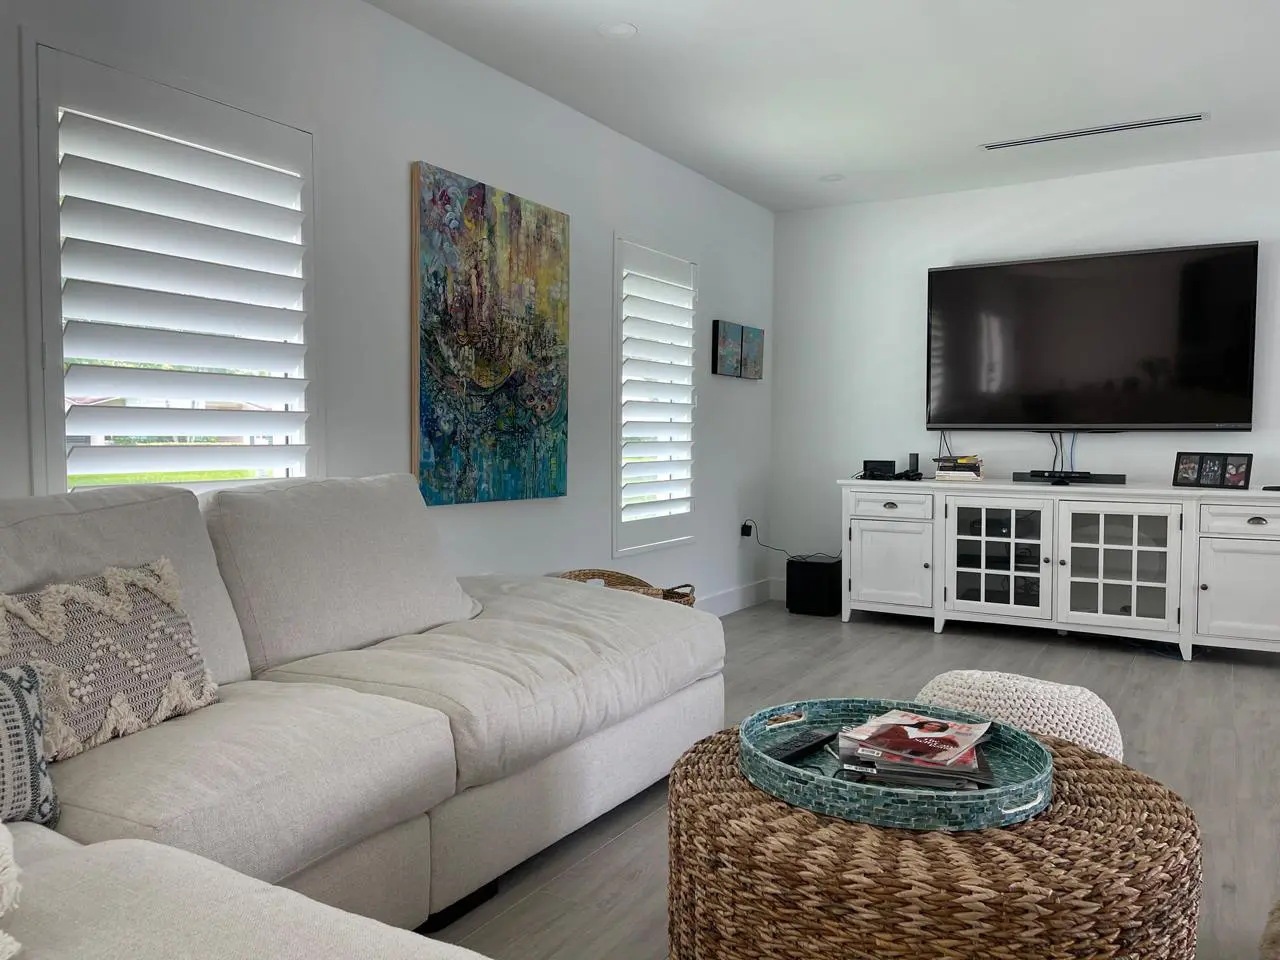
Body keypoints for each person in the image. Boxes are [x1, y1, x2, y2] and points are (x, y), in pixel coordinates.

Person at [863, 719, 960, 760]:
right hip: (896, 741)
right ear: (925, 723)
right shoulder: (906, 728)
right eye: (930, 724)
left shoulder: (940, 735)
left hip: (914, 748)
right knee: (893, 728)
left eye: (936, 726)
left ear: (940, 729)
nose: (932, 726)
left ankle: (886, 744)